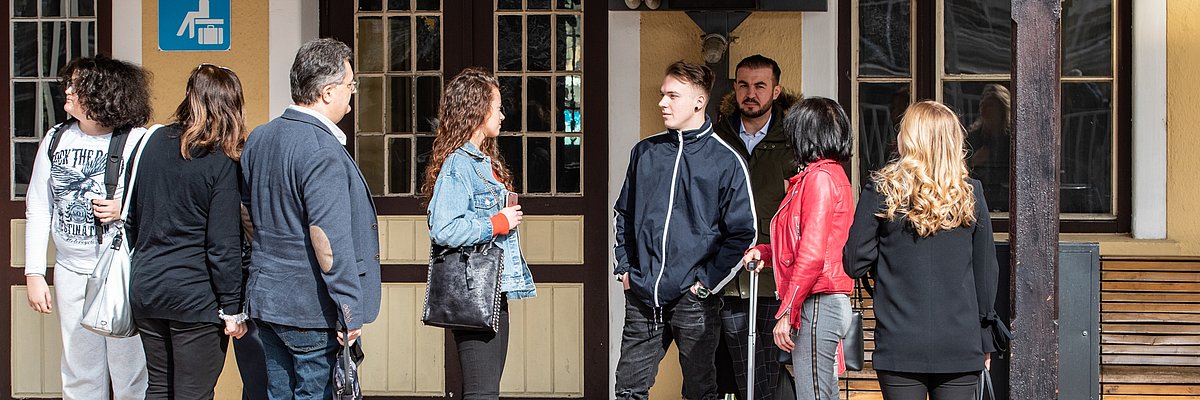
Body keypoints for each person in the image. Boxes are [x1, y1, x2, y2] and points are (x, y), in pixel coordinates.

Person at [240, 38, 382, 399]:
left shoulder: (260, 137)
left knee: (277, 392)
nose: (352, 97)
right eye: (350, 86)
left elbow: (247, 214)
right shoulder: (320, 149)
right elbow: (327, 239)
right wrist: (349, 310)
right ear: (328, 92)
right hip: (310, 309)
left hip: (267, 301)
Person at [613, 60, 757, 400]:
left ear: (699, 101)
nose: (662, 103)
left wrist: (705, 284)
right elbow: (624, 214)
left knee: (699, 391)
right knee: (628, 390)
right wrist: (625, 269)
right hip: (643, 296)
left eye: (672, 96)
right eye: (663, 95)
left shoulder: (726, 160)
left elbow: (743, 233)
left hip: (694, 300)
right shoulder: (645, 152)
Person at [844, 101, 1000, 400]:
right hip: (960, 342)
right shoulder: (971, 193)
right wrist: (985, 339)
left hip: (900, 340)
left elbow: (854, 263)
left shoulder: (881, 191)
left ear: (909, 139)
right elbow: (985, 273)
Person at [23, 54, 150, 400]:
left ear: (101, 93)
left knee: (130, 374)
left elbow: (158, 204)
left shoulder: (138, 141)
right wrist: (34, 273)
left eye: (76, 86)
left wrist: (124, 210)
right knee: (79, 371)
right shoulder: (55, 138)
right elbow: (38, 205)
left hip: (121, 273)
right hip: (70, 270)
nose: (67, 91)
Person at [125, 64, 249, 399]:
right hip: (195, 296)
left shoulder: (151, 143)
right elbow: (222, 244)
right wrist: (232, 308)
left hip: (147, 288)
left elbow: (133, 219)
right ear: (230, 106)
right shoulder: (222, 158)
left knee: (159, 388)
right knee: (193, 393)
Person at [423, 67, 536, 400]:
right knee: (482, 393)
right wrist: (496, 223)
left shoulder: (483, 162)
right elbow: (443, 227)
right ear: (477, 109)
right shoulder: (459, 164)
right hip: (472, 293)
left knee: (487, 391)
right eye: (497, 107)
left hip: (491, 289)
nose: (502, 115)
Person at [740, 97, 855, 400]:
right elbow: (803, 241)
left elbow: (813, 253)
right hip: (820, 299)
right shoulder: (824, 175)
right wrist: (765, 252)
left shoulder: (818, 178)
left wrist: (786, 312)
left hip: (817, 301)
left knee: (814, 394)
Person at [712, 54, 799, 400]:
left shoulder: (793, 141)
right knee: (732, 371)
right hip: (724, 277)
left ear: (775, 91)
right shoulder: (716, 136)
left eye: (760, 85)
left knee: (765, 369)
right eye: (744, 85)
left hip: (772, 277)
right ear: (735, 88)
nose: (751, 93)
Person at [965, 84, 1011, 212]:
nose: (984, 109)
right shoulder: (972, 138)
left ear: (1002, 109)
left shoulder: (1013, 140)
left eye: (990, 105)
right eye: (982, 104)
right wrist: (973, 161)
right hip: (974, 199)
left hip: (1007, 200)